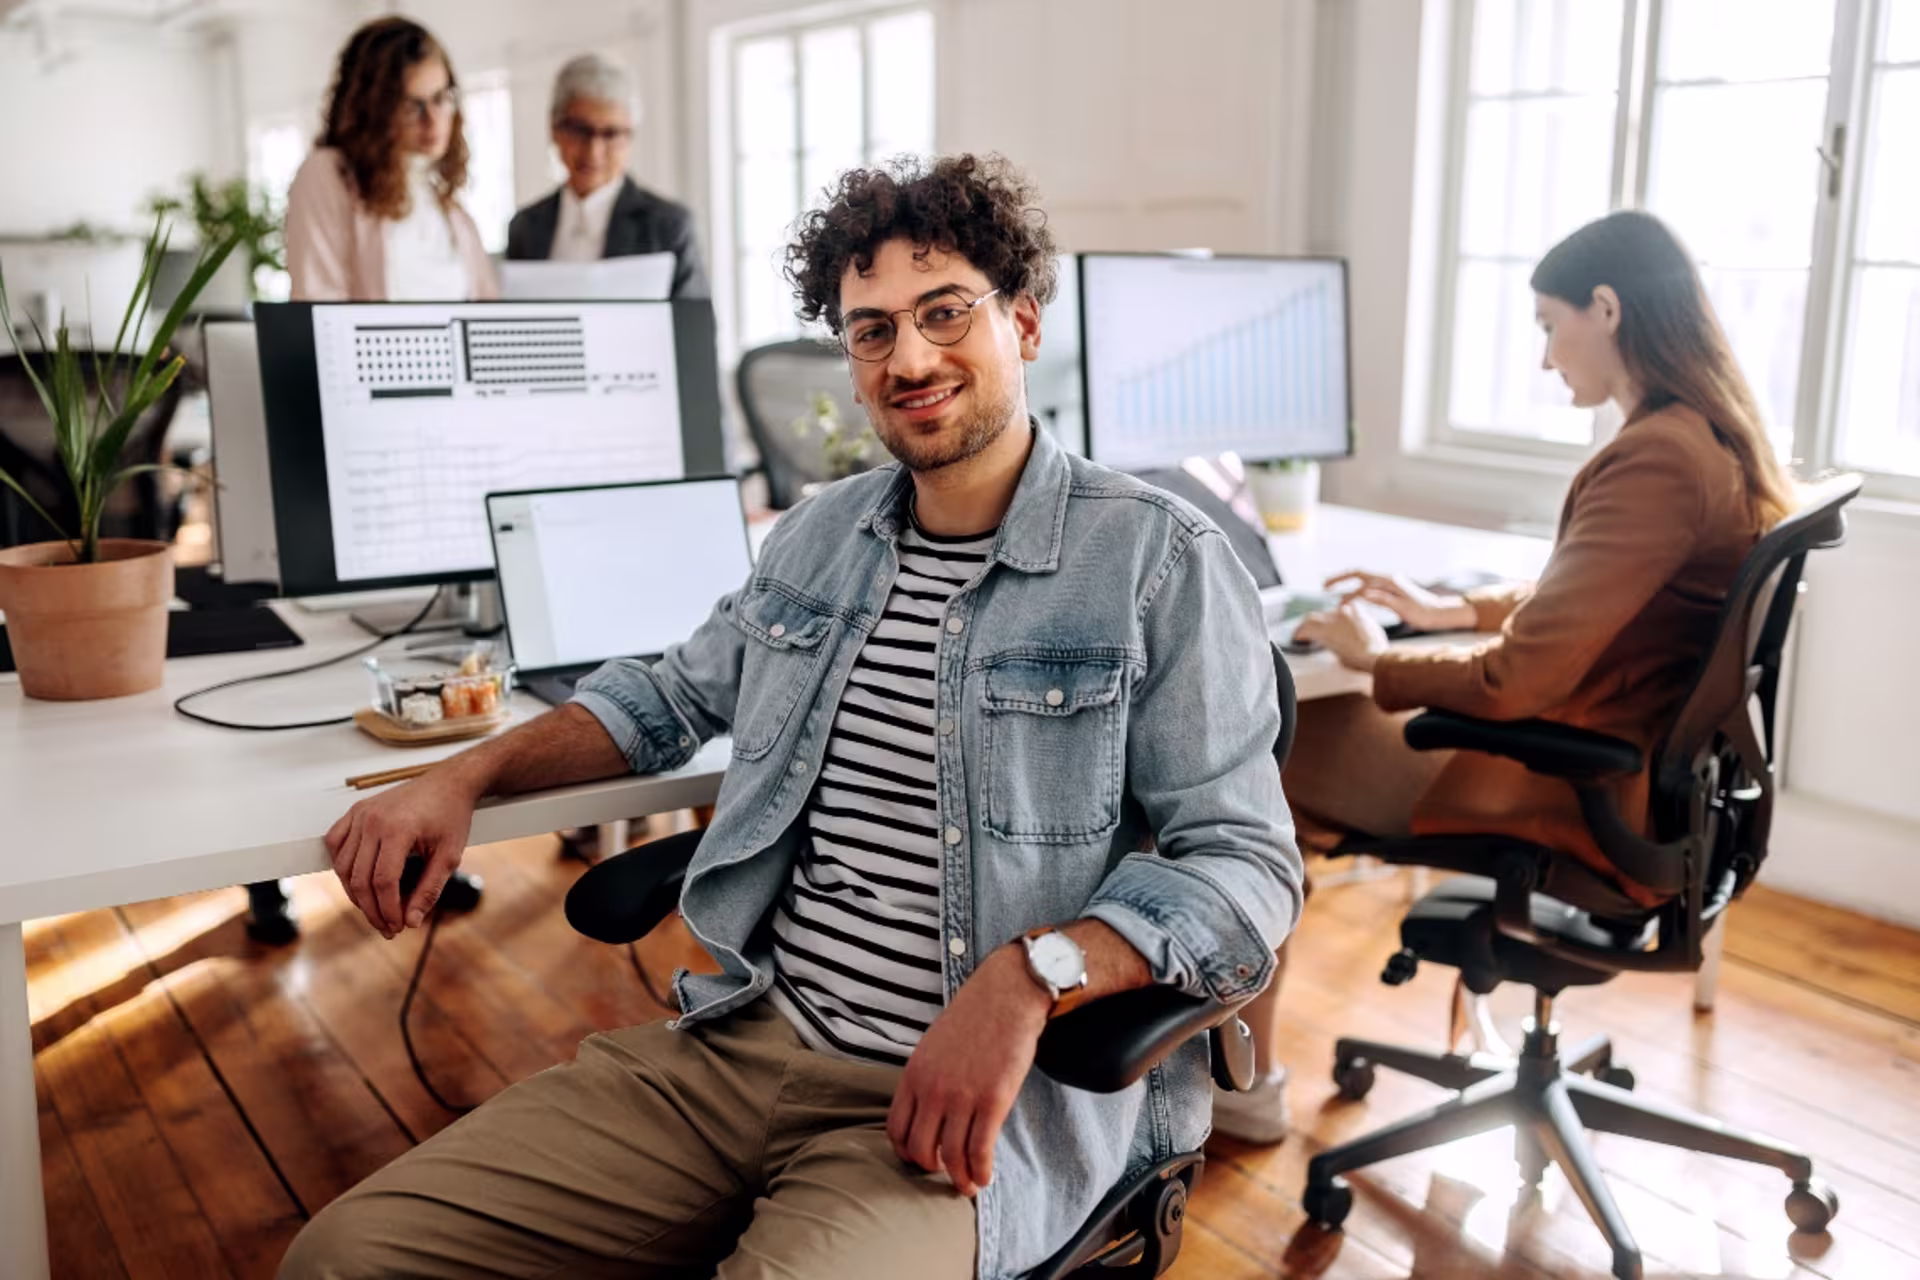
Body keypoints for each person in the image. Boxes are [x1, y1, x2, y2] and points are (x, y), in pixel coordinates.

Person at [277, 153, 1303, 1280]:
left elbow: (1246, 869)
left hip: (966, 1113)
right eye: (872, 331)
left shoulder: (1158, 561)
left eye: (944, 312)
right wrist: (465, 776)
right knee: (344, 1256)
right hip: (743, 1041)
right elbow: (670, 696)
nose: (910, 358)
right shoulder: (822, 535)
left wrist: (1032, 972)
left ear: (1023, 320)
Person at [1212, 208, 1798, 1146]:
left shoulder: (1654, 457)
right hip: (1635, 776)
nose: (1543, 356)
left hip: (1565, 780)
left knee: (1255, 753)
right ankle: (1236, 1060)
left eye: (1546, 325)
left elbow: (1517, 684)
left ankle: (1239, 1081)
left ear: (1604, 309)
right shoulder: (1701, 438)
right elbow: (1603, 594)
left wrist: (1376, 659)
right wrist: (1456, 611)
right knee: (1282, 771)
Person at [285, 16, 499, 302]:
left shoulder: (447, 208)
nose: (432, 121)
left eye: (440, 98)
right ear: (373, 109)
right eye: (412, 106)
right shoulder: (328, 175)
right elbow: (319, 309)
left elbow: (485, 312)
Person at [505, 53, 709, 298]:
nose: (594, 151)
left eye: (611, 133)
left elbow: (696, 332)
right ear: (555, 130)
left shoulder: (668, 227)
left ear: (630, 138)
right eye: (580, 131)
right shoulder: (524, 228)